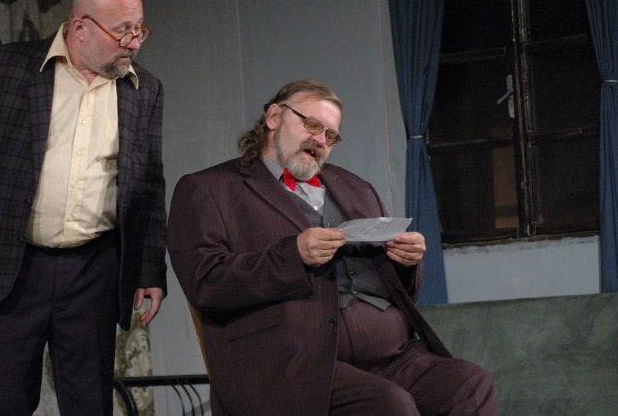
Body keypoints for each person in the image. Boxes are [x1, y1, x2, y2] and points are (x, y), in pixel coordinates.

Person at [167, 80, 498, 416]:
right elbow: (206, 284)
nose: (321, 140)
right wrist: (292, 255)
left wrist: (406, 262)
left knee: (469, 385)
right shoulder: (210, 189)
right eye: (312, 124)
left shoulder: (356, 188)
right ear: (274, 117)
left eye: (331, 135)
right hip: (293, 364)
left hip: (392, 356)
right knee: (389, 405)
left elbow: (401, 290)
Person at [0, 0, 167, 416]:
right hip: (15, 263)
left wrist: (150, 268)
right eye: (123, 31)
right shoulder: (9, 68)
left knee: (90, 405)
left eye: (140, 29)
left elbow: (149, 188)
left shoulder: (145, 90)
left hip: (94, 269)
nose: (135, 43)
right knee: (7, 403)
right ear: (80, 27)